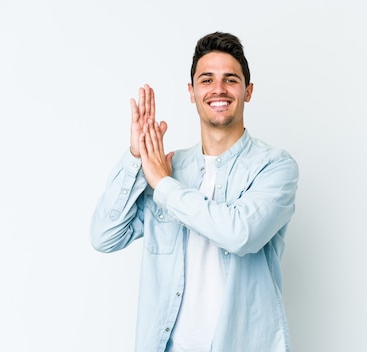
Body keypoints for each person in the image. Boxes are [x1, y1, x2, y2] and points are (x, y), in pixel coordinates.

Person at [90, 31, 299, 352]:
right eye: (207, 79)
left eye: (231, 80)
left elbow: (240, 234)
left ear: (248, 91)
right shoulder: (170, 167)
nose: (218, 89)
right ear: (191, 92)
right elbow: (105, 236)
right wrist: (136, 157)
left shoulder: (275, 166)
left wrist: (163, 184)